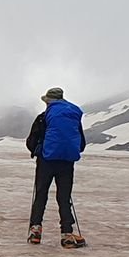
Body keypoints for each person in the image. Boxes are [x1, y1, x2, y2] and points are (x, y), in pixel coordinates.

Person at [26, 87, 87, 248]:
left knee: (41, 194)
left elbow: (31, 141)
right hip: (67, 162)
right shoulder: (73, 116)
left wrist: (38, 151)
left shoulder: (44, 117)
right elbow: (81, 143)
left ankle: (35, 231)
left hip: (46, 161)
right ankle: (67, 234)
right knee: (64, 197)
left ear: (48, 102)